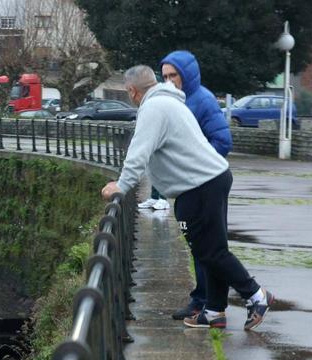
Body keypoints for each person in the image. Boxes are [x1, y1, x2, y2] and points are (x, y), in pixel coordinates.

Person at [101, 65, 271, 332]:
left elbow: (138, 152)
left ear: (132, 91)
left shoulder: (153, 108)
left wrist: (121, 186)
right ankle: (214, 311)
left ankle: (256, 295)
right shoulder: (169, 102)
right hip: (210, 179)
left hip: (199, 186)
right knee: (211, 250)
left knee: (210, 251)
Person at [159, 51, 234, 320]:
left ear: (186, 75)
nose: (169, 81)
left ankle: (224, 300)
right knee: (200, 246)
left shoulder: (203, 101)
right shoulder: (174, 102)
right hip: (191, 186)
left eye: (174, 75)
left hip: (206, 184)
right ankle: (204, 300)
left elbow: (222, 142)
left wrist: (196, 168)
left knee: (210, 246)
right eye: (164, 76)